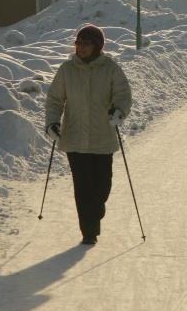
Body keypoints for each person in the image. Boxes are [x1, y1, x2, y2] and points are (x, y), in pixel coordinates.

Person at [45, 24, 132, 246]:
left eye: (86, 43)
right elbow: (55, 99)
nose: (80, 47)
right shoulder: (66, 70)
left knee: (102, 186)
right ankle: (89, 231)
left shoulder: (110, 68)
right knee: (83, 186)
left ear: (97, 46)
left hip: (102, 138)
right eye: (78, 43)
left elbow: (122, 93)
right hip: (74, 138)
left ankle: (95, 213)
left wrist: (118, 111)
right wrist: (52, 123)